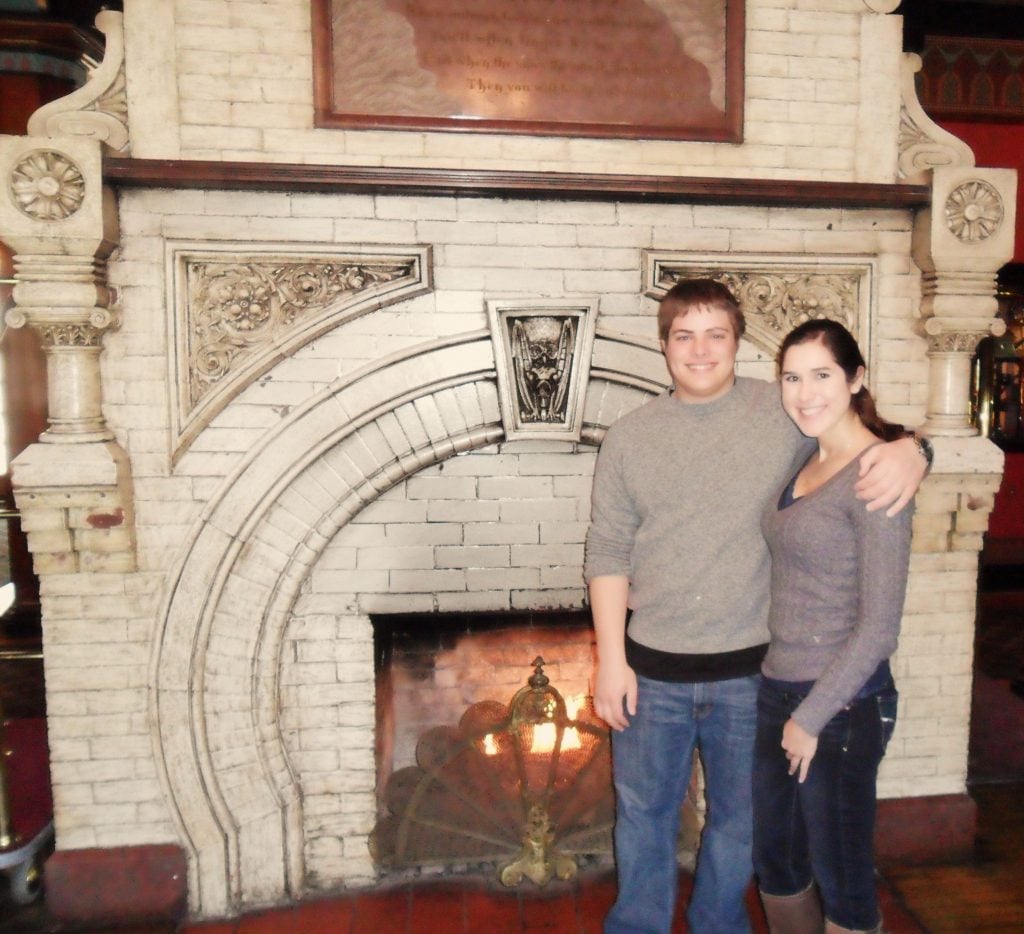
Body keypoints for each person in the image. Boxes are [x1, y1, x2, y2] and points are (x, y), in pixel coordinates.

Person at [583, 279, 928, 934]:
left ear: (738, 344)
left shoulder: (788, 411)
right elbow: (607, 551)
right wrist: (610, 662)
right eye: (684, 334)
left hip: (754, 678)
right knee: (643, 820)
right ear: (664, 347)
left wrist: (916, 449)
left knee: (739, 827)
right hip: (651, 674)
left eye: (717, 333)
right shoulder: (630, 438)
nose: (701, 349)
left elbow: (860, 445)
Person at [753, 320, 913, 934]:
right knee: (777, 860)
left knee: (843, 876)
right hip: (779, 688)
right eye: (792, 377)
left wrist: (809, 718)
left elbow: (879, 627)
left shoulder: (876, 475)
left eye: (822, 375)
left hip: (840, 706)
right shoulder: (805, 451)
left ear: (856, 378)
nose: (805, 392)